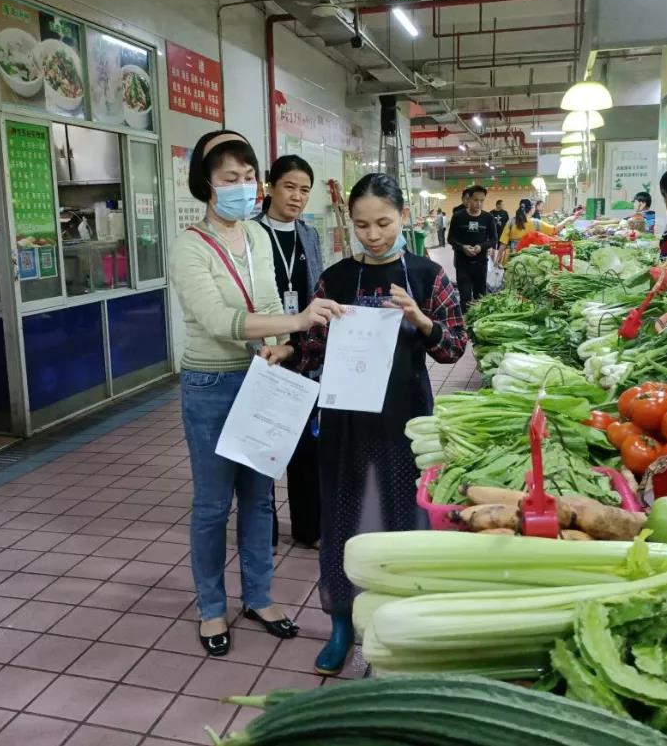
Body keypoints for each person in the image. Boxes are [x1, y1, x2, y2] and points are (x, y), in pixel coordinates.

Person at [171, 130, 344, 657]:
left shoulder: (260, 238)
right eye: (230, 179)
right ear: (206, 184)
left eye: (249, 178)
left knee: (258, 499)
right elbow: (220, 321)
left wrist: (284, 347)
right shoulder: (188, 246)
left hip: (259, 378)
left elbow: (266, 298)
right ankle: (210, 606)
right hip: (209, 384)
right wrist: (296, 321)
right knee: (211, 504)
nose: (244, 188)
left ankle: (260, 597)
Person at [289, 172, 468, 675]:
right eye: (363, 224)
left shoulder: (428, 275)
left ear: (403, 216)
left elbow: (454, 345)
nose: (373, 234)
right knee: (341, 517)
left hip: (404, 415)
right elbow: (311, 348)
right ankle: (341, 621)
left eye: (383, 222)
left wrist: (420, 318)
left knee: (400, 516)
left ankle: (394, 619)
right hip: (344, 416)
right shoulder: (337, 278)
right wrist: (291, 341)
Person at [255, 155, 324, 549]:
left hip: (303, 351)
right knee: (263, 443)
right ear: (270, 186)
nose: (297, 197)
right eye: (290, 187)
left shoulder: (308, 234)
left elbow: (318, 289)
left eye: (304, 190)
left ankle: (309, 527)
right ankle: (263, 528)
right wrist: (265, 345)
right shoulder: (249, 233)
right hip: (262, 350)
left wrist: (306, 344)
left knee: (306, 443)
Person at [447, 184, 495, 308]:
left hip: (480, 264)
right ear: (468, 199)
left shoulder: (488, 218)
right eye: (475, 200)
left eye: (481, 201)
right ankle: (466, 324)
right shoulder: (458, 217)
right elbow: (450, 238)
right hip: (463, 264)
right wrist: (463, 247)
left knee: (480, 297)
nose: (478, 204)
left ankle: (479, 323)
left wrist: (481, 246)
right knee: (465, 297)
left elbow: (494, 240)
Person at [499, 198, 577, 252]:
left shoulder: (510, 222)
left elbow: (503, 243)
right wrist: (568, 219)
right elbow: (554, 230)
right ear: (532, 209)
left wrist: (497, 261)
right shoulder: (535, 223)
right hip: (528, 256)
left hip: (512, 257)